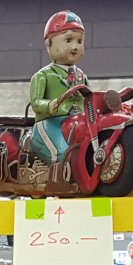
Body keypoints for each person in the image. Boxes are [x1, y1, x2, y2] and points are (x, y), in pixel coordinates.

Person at [29, 11, 90, 164]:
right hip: (51, 123)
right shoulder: (43, 75)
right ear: (49, 43)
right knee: (63, 154)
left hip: (78, 122)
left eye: (79, 41)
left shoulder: (82, 76)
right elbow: (36, 103)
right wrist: (50, 105)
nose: (75, 47)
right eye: (68, 40)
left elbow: (89, 99)